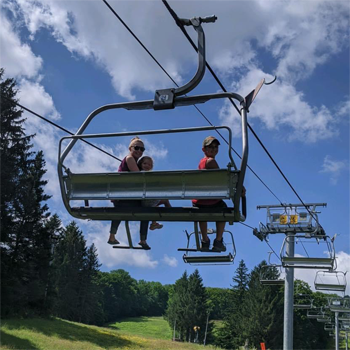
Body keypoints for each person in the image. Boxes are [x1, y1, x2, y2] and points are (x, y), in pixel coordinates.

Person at [108, 137, 151, 250]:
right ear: (130, 148)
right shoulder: (130, 159)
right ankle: (143, 239)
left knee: (119, 212)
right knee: (146, 210)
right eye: (136, 148)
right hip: (125, 198)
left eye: (142, 149)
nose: (139, 151)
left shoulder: (133, 161)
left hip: (122, 198)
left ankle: (112, 236)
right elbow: (139, 177)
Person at [192, 136, 229, 252]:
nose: (213, 149)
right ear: (204, 149)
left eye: (215, 147)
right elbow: (222, 179)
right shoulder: (210, 161)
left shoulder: (201, 163)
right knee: (224, 211)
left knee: (202, 214)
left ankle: (205, 240)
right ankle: (218, 240)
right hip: (212, 201)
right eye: (210, 147)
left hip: (199, 202)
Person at [137, 156, 171, 230]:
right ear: (140, 164)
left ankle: (154, 223)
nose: (147, 166)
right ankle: (171, 213)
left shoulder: (140, 173)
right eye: (145, 163)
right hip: (146, 201)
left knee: (155, 205)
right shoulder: (144, 174)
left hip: (144, 200)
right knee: (165, 200)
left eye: (149, 165)